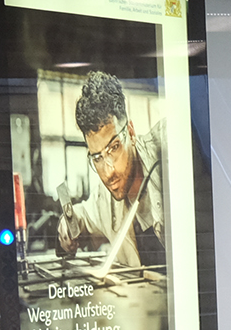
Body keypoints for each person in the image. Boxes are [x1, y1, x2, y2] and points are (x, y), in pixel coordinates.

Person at [56, 71, 167, 267]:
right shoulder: (105, 201)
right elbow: (83, 215)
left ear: (131, 132)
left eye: (114, 148)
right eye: (97, 158)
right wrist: (66, 225)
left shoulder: (167, 146)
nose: (108, 172)